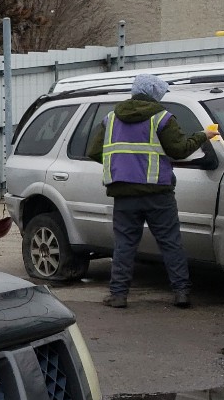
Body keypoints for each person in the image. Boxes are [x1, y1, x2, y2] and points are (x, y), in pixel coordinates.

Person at [87, 73, 210, 309]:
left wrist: (122, 164)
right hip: (158, 194)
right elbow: (180, 150)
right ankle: (181, 292)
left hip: (123, 194)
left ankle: (119, 295)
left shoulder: (111, 119)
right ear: (156, 93)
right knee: (170, 243)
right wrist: (203, 136)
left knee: (124, 245)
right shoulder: (162, 118)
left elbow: (94, 151)